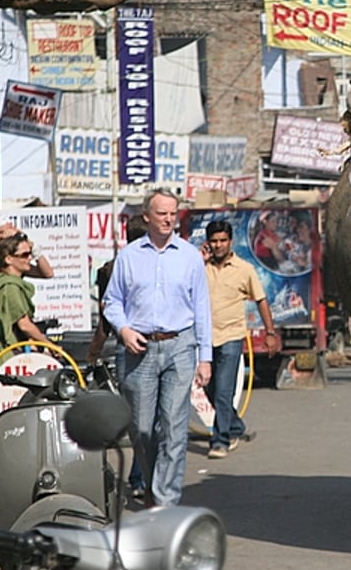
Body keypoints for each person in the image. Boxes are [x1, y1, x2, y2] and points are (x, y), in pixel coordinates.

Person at [103, 189, 213, 507]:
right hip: (139, 349)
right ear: (147, 217)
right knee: (140, 429)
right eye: (161, 213)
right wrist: (123, 330)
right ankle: (152, 486)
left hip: (180, 344)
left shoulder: (190, 255)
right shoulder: (129, 256)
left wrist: (205, 358)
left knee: (174, 426)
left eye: (172, 213)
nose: (168, 219)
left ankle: (165, 500)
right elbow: (112, 302)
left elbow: (202, 308)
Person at [202, 219, 279, 459]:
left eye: (223, 240)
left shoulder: (244, 269)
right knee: (210, 389)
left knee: (224, 389)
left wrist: (270, 333)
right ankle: (234, 425)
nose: (218, 245)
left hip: (232, 336)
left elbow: (261, 300)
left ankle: (221, 440)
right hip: (204, 338)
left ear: (230, 241)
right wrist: (197, 261)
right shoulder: (199, 267)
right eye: (214, 241)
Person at [87, 215, 149, 497]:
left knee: (137, 416)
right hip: (153, 344)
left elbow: (105, 317)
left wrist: (95, 349)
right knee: (151, 418)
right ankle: (143, 477)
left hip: (126, 346)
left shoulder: (110, 268)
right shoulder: (122, 268)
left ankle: (141, 478)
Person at [0, 210, 54, 349]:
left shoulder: (15, 262)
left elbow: (47, 273)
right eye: (5, 232)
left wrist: (29, 245)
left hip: (14, 335)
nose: (10, 235)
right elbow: (19, 320)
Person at [0, 234, 52, 364]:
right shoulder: (9, 287)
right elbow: (25, 325)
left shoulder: (2, 280)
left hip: (4, 355)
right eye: (24, 255)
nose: (29, 258)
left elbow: (48, 273)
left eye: (30, 254)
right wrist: (49, 345)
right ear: (9, 259)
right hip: (7, 356)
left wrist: (36, 250)